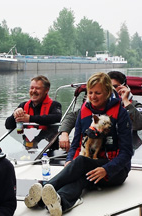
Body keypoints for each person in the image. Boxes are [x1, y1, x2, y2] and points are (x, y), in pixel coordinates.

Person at [24, 72, 133, 215]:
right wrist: (69, 161)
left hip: (116, 170)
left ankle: (45, 187)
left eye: (98, 93)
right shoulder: (84, 111)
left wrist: (106, 169)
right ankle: (60, 201)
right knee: (82, 178)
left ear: (107, 92)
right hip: (91, 164)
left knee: (81, 162)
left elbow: (127, 152)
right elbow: (75, 143)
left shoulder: (121, 113)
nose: (93, 97)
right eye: (90, 92)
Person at [59, 71, 142, 152]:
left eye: (114, 86)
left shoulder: (134, 106)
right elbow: (72, 116)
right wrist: (64, 133)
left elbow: (138, 125)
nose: (111, 90)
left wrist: (125, 101)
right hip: (98, 149)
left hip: (128, 147)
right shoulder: (95, 106)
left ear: (124, 87)